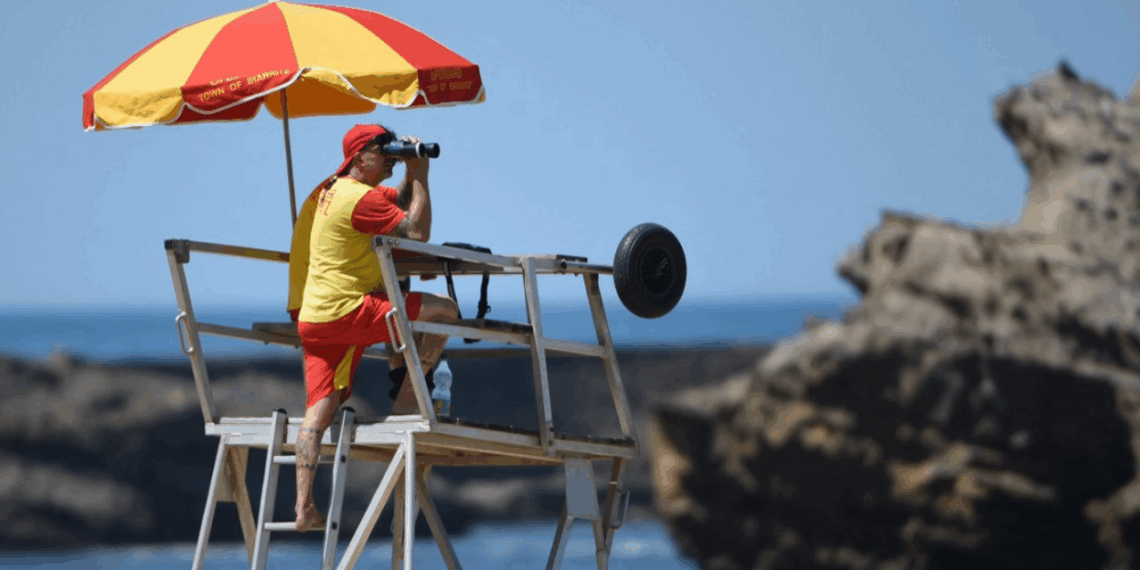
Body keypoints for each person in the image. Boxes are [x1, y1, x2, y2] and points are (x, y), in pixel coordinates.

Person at [291, 123, 459, 532]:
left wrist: (408, 170)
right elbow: (417, 233)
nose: (389, 157)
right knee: (445, 310)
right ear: (359, 156)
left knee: (319, 410)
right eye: (382, 151)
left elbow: (397, 202)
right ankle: (407, 399)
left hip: (315, 318)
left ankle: (303, 507)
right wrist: (422, 176)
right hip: (349, 310)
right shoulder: (359, 200)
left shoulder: (334, 190)